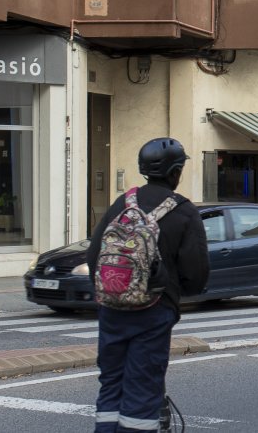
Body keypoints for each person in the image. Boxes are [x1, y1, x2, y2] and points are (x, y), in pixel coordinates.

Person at [89, 138, 209, 433]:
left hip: (112, 310)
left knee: (111, 386)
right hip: (154, 312)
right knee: (143, 391)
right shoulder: (184, 212)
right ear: (175, 171)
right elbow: (196, 278)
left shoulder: (122, 203)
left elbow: (94, 256)